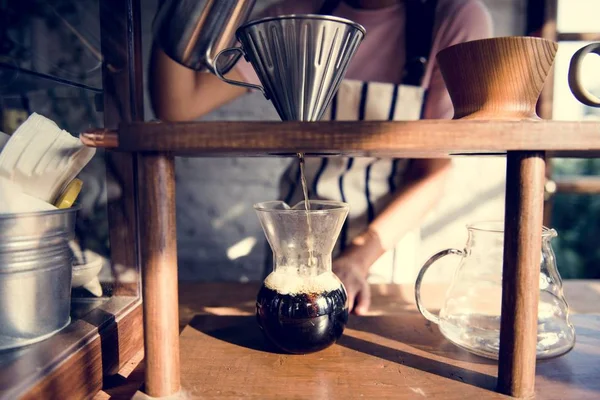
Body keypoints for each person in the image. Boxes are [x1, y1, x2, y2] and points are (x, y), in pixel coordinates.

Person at [150, 0, 493, 315]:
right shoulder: (292, 17)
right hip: (292, 249)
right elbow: (178, 106)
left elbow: (432, 172)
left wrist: (358, 258)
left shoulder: (452, 18)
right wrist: (183, 12)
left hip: (380, 255)